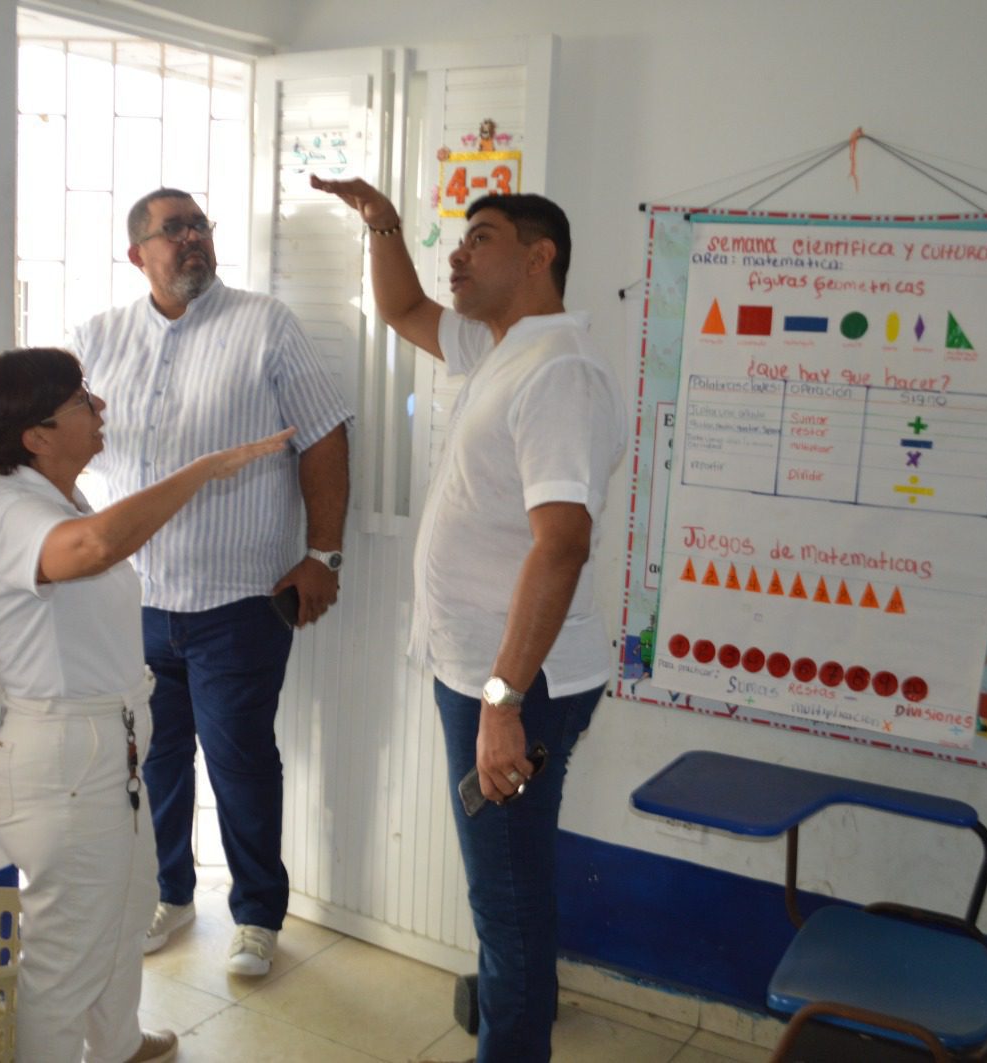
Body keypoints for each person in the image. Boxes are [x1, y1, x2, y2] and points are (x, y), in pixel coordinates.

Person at [313, 175, 624, 1063]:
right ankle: (514, 1018)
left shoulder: (559, 372)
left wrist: (502, 699)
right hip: (483, 672)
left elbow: (562, 545)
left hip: (519, 683)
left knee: (508, 902)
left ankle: (512, 1042)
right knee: (507, 889)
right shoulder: (498, 347)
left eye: (480, 238)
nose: (457, 253)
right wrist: (383, 223)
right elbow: (402, 307)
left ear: (538, 257)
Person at [0, 347, 292, 1063]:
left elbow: (98, 539)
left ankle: (116, 1043)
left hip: (110, 748)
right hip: (62, 761)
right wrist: (201, 471)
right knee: (64, 955)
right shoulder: (15, 512)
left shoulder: (63, 498)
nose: (100, 407)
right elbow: (97, 547)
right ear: (37, 436)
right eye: (82, 400)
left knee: (124, 909)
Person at [71, 188, 353, 977]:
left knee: (240, 762)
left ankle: (257, 913)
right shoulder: (98, 338)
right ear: (139, 253)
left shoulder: (265, 325)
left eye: (200, 225)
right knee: (153, 761)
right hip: (135, 600)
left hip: (238, 600)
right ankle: (168, 893)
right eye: (175, 229)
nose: (193, 237)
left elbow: (325, 436)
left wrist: (323, 555)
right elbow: (65, 444)